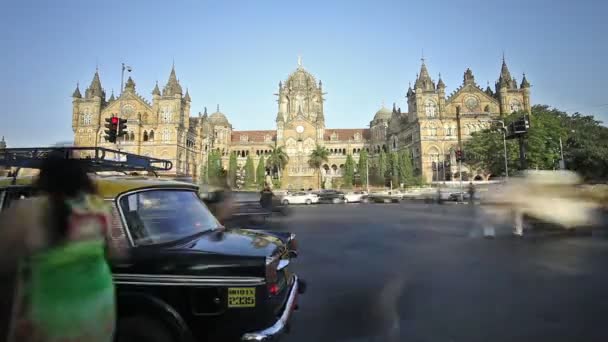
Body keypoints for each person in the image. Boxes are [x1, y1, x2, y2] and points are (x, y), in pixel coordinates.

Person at [0, 153, 119, 342]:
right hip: (97, 315)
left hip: (49, 321)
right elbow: (116, 253)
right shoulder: (100, 208)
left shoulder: (29, 210)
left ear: (45, 179)